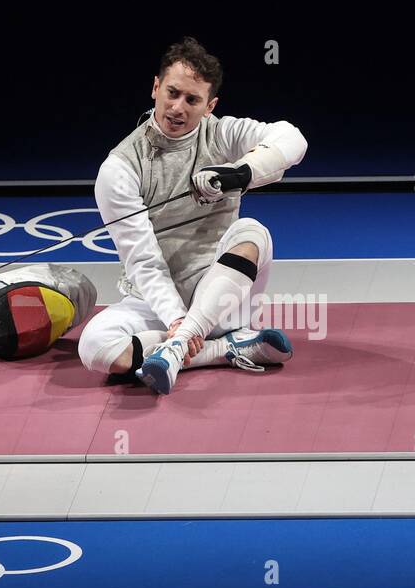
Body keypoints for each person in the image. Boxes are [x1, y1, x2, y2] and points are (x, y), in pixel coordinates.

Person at [77, 37, 309, 395]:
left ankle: (177, 348)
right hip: (155, 304)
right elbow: (143, 261)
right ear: (155, 87)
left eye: (192, 100)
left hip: (222, 297)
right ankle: (223, 348)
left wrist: (238, 174)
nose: (177, 107)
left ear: (209, 105)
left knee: (253, 233)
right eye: (172, 93)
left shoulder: (222, 133)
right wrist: (176, 318)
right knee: (93, 347)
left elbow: (292, 139)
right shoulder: (120, 167)